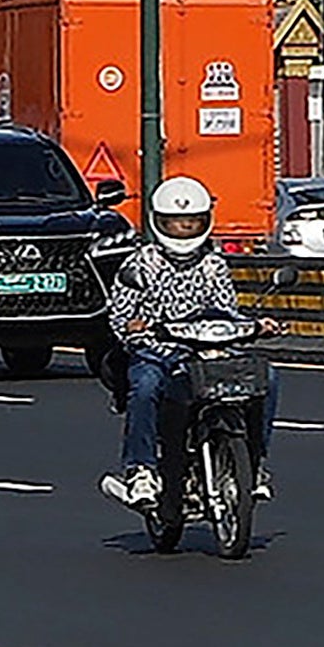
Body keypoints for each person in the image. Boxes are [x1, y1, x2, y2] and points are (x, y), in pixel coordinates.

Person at [96, 174, 264, 507]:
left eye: (192, 222)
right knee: (144, 386)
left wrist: (256, 325)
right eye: (176, 223)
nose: (184, 230)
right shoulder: (140, 264)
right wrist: (137, 328)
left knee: (265, 379)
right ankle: (140, 470)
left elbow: (226, 311)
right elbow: (118, 317)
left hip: (204, 354)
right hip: (157, 353)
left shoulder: (214, 265)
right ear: (159, 222)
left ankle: (255, 464)